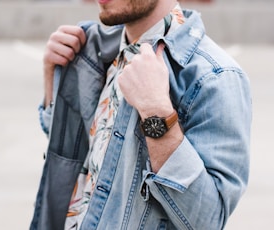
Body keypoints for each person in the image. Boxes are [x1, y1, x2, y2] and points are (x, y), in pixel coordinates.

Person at [31, 0, 252, 229]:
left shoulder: (216, 77)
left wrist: (156, 112)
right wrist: (53, 80)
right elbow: (82, 150)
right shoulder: (93, 51)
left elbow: (208, 220)